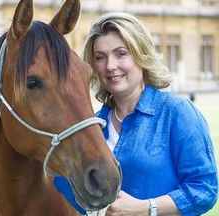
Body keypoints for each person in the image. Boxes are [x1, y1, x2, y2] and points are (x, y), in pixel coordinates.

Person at [54, 12, 218, 216]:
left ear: (141, 55)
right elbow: (72, 194)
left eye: (121, 53)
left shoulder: (177, 113)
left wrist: (146, 208)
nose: (110, 66)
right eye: (100, 57)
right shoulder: (91, 126)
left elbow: (205, 189)